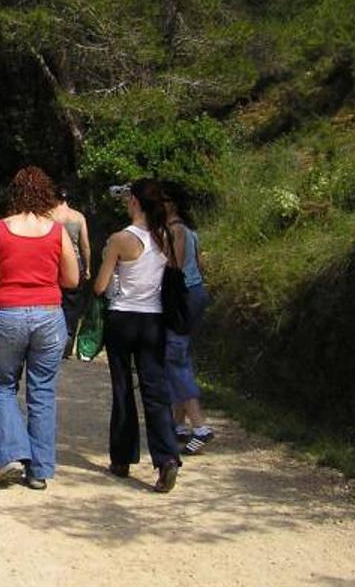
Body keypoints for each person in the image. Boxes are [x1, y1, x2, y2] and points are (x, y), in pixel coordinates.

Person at [0, 167, 79, 489]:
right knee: (43, 391)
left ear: (15, 193)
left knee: (3, 386)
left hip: (8, 313)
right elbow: (72, 279)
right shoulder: (56, 231)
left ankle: (9, 455)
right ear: (46, 195)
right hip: (50, 316)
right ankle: (39, 471)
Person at [93, 179, 182, 493]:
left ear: (133, 202)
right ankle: (167, 457)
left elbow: (100, 286)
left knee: (122, 389)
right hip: (153, 319)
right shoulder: (166, 238)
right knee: (155, 390)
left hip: (123, 317)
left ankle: (122, 457)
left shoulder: (120, 239)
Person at [163, 181, 215, 455]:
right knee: (181, 354)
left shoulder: (176, 230)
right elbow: (199, 264)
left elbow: (175, 266)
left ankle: (200, 426)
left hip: (182, 298)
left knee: (174, 358)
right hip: (195, 294)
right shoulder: (188, 229)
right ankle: (178, 422)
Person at [50, 186, 91, 359]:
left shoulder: (48, 215)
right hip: (75, 264)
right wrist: (87, 266)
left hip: (54, 264)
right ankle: (67, 347)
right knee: (72, 307)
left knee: (53, 305)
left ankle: (51, 343)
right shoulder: (78, 216)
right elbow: (85, 245)